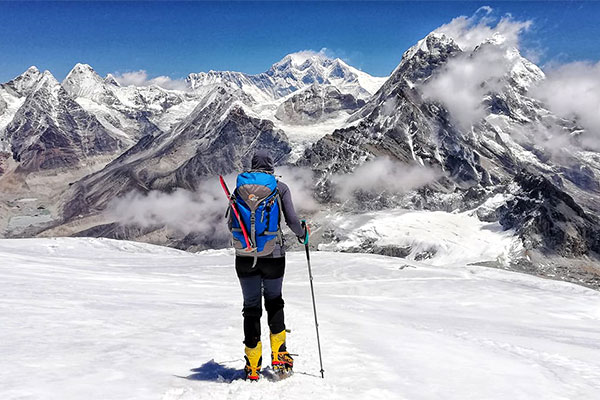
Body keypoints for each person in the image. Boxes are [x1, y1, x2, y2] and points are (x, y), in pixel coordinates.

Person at [227, 149, 308, 381]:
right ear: (271, 166)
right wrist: (303, 234)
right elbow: (292, 220)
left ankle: (252, 366)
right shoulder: (279, 187)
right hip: (274, 256)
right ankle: (280, 359)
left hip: (244, 257)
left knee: (251, 309)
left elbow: (232, 223)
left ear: (252, 165)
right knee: (274, 303)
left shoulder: (239, 189)